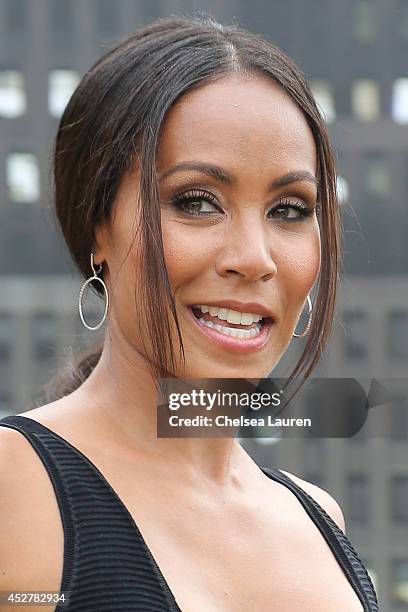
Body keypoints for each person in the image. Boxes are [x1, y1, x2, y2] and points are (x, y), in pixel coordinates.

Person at [0, 14, 378, 612]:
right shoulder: (13, 487)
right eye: (196, 202)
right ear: (98, 224)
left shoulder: (319, 520)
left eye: (289, 209)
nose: (255, 260)